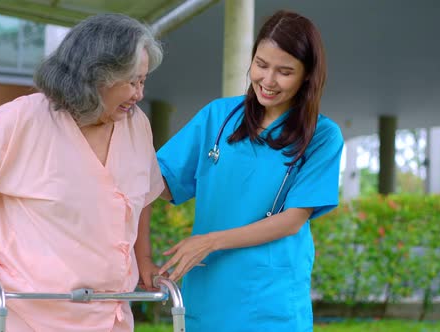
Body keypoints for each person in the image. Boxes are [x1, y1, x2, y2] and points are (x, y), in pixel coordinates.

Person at [0, 13, 164, 332]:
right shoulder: (25, 118)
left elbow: (142, 197)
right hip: (27, 314)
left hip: (109, 315)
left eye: (143, 81)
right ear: (97, 75)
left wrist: (144, 261)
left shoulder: (136, 124)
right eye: (131, 82)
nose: (139, 94)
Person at [137, 10, 344, 331]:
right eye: (261, 65)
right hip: (210, 292)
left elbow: (292, 220)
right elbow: (156, 182)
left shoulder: (322, 136)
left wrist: (209, 241)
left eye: (285, 71)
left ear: (308, 75)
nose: (268, 80)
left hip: (272, 300)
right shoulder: (217, 116)